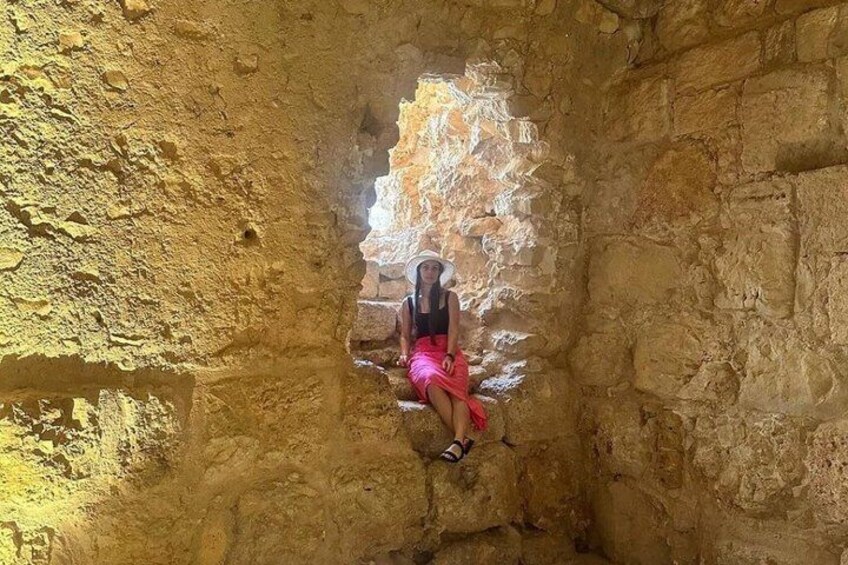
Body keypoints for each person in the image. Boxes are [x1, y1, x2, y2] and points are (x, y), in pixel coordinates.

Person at [397, 250, 488, 463]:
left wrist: (450, 355)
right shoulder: (408, 302)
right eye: (426, 267)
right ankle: (463, 439)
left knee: (457, 393)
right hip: (423, 353)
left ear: (439, 273)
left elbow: (454, 329)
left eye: (434, 268)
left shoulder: (450, 297)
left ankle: (458, 441)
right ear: (419, 271)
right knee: (430, 379)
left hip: (448, 350)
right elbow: (404, 335)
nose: (430, 272)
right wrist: (404, 354)